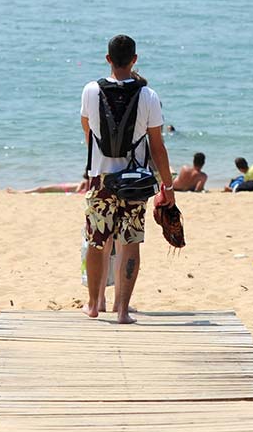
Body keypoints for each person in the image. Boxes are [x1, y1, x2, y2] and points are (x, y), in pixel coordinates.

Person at [80, 34, 176, 325]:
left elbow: (87, 131)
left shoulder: (90, 90)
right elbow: (157, 146)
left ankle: (95, 305)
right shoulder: (148, 96)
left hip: (101, 179)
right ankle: (122, 311)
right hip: (135, 180)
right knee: (130, 241)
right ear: (135, 59)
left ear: (108, 59)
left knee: (98, 241)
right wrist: (167, 186)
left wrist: (100, 163)